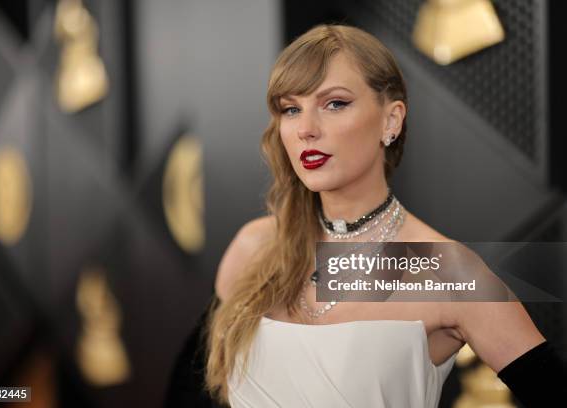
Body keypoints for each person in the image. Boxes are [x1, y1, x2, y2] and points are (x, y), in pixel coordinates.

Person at [203, 24, 565, 407]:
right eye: (291, 109)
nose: (306, 129)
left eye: (335, 103)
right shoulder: (254, 247)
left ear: (390, 120)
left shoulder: (445, 272)